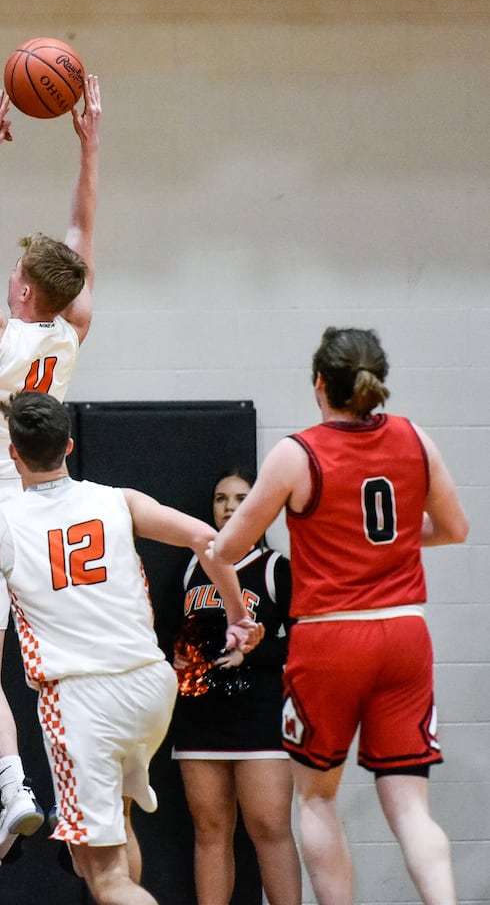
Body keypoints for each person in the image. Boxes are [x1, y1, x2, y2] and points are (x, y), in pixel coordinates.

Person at [0, 391, 256, 905]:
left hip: (83, 703)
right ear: (68, 446)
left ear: (13, 454)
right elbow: (208, 538)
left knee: (104, 875)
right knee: (116, 828)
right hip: (150, 687)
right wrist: (237, 614)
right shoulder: (119, 499)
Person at [211, 327, 468, 905]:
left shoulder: (296, 453)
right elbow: (455, 529)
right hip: (406, 630)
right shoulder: (416, 438)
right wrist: (391, 544)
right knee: (410, 808)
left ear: (320, 383)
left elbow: (227, 550)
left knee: (318, 798)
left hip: (330, 637)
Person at [0, 75, 101, 856]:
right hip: (45, 507)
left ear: (26, 289)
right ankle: (61, 791)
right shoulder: (71, 332)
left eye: (19, 271)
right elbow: (81, 239)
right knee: (41, 664)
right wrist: (89, 146)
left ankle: (11, 790)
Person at [170, 468, 301, 905]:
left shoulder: (276, 568)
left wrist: (253, 654)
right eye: (221, 498)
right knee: (210, 831)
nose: (229, 507)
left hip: (259, 715)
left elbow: (306, 646)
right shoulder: (191, 566)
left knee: (269, 829)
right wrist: (175, 657)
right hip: (199, 715)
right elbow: (170, 632)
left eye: (242, 498)